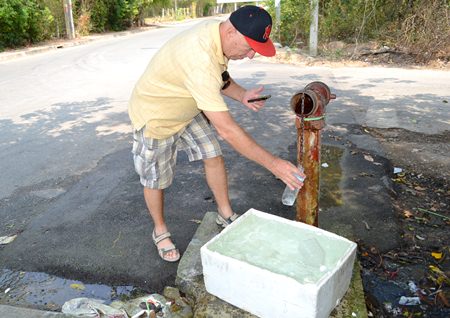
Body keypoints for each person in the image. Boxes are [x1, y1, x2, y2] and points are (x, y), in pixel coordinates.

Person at [128, 5, 305, 262]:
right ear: (232, 31)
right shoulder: (198, 58)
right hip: (158, 116)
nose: (252, 55)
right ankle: (160, 230)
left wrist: (241, 94)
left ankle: (225, 214)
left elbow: (220, 77)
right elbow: (227, 130)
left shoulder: (216, 35)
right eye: (250, 47)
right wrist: (275, 165)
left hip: (187, 107)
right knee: (156, 179)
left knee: (213, 155)